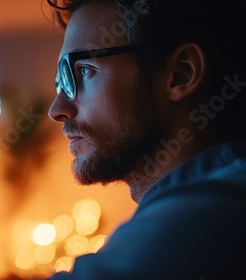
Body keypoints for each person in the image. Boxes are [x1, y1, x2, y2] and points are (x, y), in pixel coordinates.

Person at [46, 0, 246, 279]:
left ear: (180, 74)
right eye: (61, 82)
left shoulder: (210, 214)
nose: (56, 110)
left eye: (83, 71)